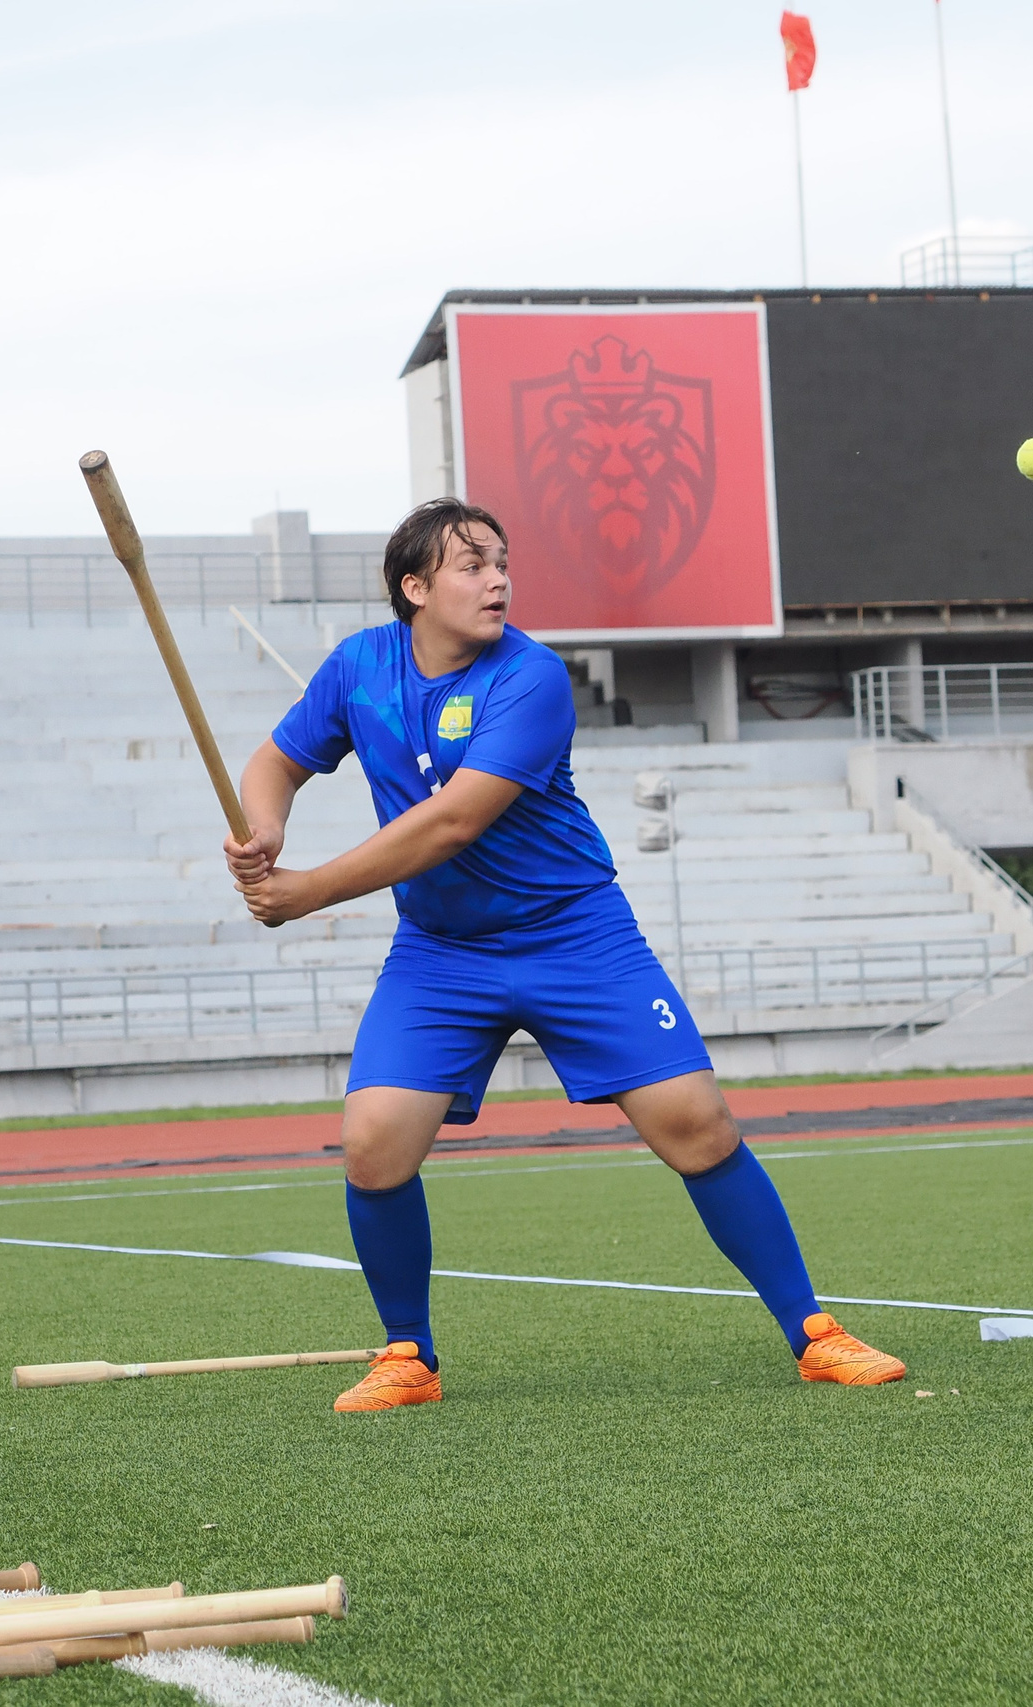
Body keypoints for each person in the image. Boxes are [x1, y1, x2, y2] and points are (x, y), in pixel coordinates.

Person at [225, 498, 905, 1411]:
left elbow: (455, 821)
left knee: (696, 1122)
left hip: (574, 932)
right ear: (414, 587)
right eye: (472, 565)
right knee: (373, 1144)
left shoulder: (532, 677)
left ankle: (815, 1335)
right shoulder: (359, 667)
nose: (498, 579)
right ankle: (408, 1356)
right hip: (442, 952)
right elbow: (275, 762)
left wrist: (306, 891)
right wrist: (265, 827)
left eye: (501, 561)